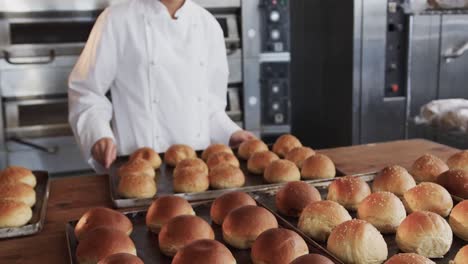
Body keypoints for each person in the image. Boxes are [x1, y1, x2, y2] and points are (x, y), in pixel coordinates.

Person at [68, 0, 255, 172]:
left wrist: (231, 133)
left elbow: (211, 108)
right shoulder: (116, 20)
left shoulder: (208, 25)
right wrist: (98, 134)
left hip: (197, 171)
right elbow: (87, 91)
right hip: (138, 169)